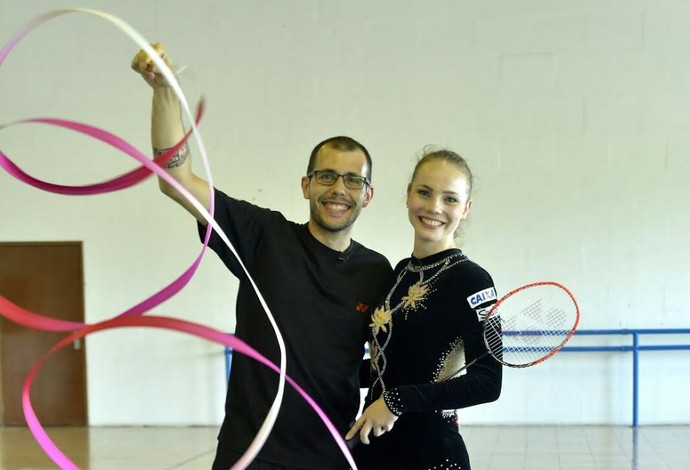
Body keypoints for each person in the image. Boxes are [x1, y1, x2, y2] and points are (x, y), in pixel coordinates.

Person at [130, 43, 392, 469]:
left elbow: (388, 359)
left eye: (351, 180)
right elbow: (175, 180)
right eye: (326, 176)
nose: (338, 190)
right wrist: (163, 90)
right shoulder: (263, 236)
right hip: (251, 450)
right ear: (306, 185)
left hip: (332, 450)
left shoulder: (377, 271)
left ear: (368, 194)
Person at [346, 148, 503, 469]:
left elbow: (488, 381)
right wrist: (323, 373)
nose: (434, 207)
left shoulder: (473, 280)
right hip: (373, 444)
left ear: (466, 208)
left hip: (431, 452)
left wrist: (395, 402)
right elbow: (392, 366)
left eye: (450, 199)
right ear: (408, 195)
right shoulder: (400, 272)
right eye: (424, 192)